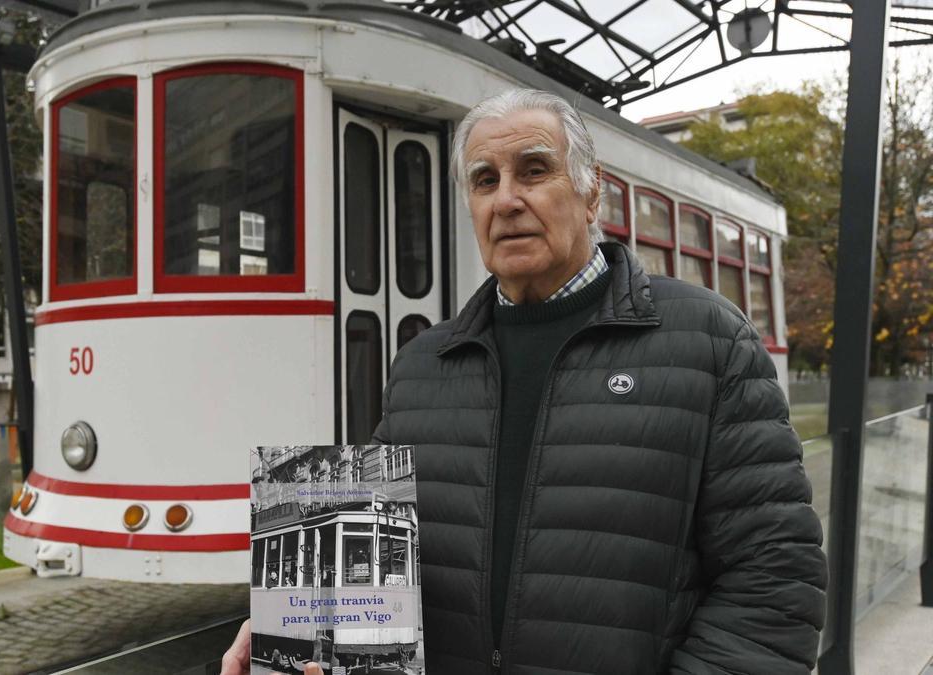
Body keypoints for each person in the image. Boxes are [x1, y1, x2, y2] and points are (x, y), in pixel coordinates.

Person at [223, 88, 827, 674]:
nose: (506, 200)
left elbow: (773, 580)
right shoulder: (420, 366)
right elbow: (378, 560)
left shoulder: (711, 341)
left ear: (592, 196)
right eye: (485, 181)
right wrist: (296, 626)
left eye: (534, 171)